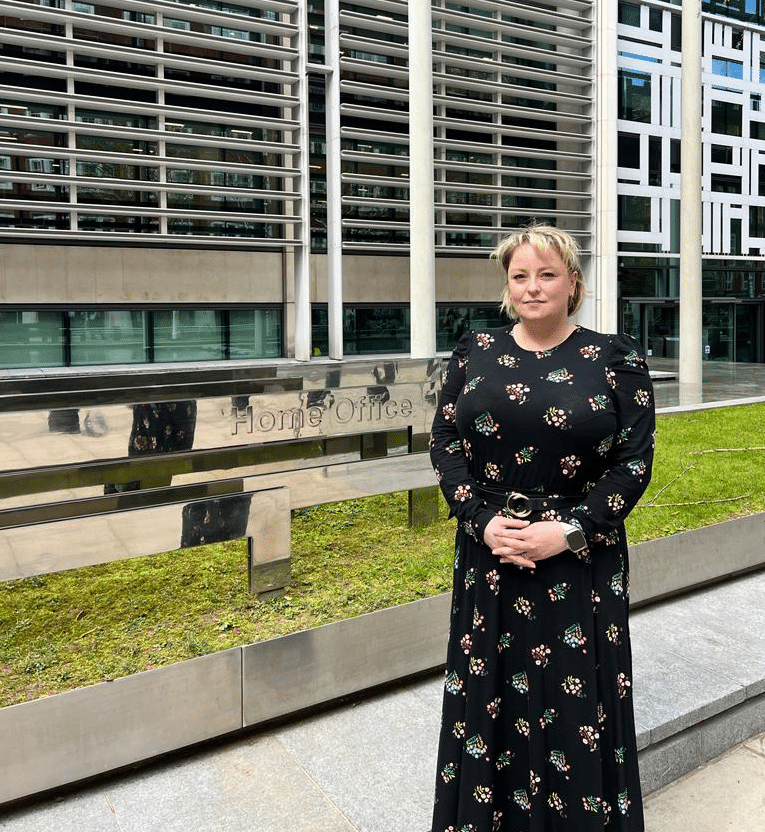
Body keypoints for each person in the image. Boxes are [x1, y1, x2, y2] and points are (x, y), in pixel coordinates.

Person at [429, 224, 655, 832]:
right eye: (520, 275)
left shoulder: (616, 357)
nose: (532, 288)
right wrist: (479, 520)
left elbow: (634, 462)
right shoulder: (473, 351)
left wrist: (572, 530)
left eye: (547, 274)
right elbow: (444, 440)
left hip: (579, 560)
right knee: (491, 700)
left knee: (575, 700)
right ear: (507, 286)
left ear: (572, 283)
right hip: (492, 553)